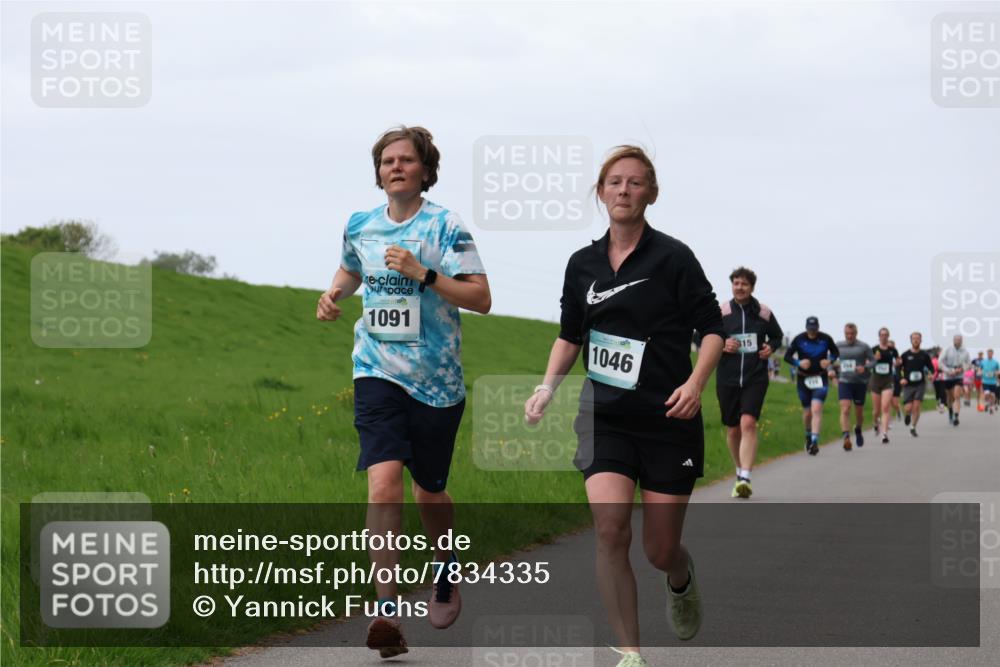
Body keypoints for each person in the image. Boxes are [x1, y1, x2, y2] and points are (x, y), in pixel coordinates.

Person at [524, 146, 724, 667]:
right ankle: (630, 652)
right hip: (604, 416)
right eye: (614, 181)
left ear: (651, 193)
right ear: (600, 191)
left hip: (668, 418)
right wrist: (547, 387)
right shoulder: (582, 264)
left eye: (635, 182)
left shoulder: (674, 258)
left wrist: (696, 384)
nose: (624, 190)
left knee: (660, 549)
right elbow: (570, 335)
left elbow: (713, 330)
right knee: (611, 528)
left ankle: (680, 577)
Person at [317, 126, 491, 659]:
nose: (396, 167)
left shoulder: (446, 226)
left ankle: (444, 564)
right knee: (383, 483)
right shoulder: (360, 225)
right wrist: (334, 293)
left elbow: (481, 298)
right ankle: (387, 610)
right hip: (375, 370)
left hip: (436, 384)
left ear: (425, 170)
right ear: (379, 172)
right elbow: (350, 269)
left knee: (429, 492)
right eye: (388, 161)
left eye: (406, 160)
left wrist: (424, 274)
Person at [715, 266, 783, 498]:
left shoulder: (763, 312)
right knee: (733, 428)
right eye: (736, 283)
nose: (739, 287)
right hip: (728, 378)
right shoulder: (722, 311)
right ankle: (739, 470)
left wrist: (770, 347)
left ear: (752, 287)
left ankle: (745, 477)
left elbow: (777, 336)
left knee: (748, 423)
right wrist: (723, 343)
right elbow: (702, 335)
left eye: (744, 284)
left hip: (755, 377)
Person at [784, 317, 839, 455]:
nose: (812, 332)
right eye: (810, 329)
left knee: (816, 408)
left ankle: (814, 441)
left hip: (820, 378)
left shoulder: (826, 338)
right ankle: (808, 435)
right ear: (806, 327)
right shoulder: (799, 339)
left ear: (818, 327)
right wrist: (799, 363)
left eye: (814, 329)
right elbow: (787, 357)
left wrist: (829, 361)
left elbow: (835, 353)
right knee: (807, 412)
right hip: (803, 379)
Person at [834, 323, 874, 450]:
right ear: (844, 333)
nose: (849, 336)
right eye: (847, 334)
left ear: (856, 333)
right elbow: (829, 359)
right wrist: (830, 370)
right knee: (845, 409)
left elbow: (874, 361)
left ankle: (858, 429)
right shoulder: (838, 345)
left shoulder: (864, 346)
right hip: (844, 382)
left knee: (859, 413)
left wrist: (865, 367)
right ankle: (846, 437)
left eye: (852, 334)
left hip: (860, 383)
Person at [898, 332, 934, 437]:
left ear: (921, 340)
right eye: (914, 338)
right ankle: (907, 414)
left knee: (917, 406)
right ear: (911, 340)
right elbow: (898, 368)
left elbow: (931, 367)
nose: (916, 340)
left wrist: (930, 374)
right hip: (908, 384)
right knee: (908, 408)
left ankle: (913, 427)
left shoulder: (924, 355)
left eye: (918, 338)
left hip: (920, 384)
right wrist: (901, 379)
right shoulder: (905, 355)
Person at [869, 327, 900, 444]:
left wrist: (898, 362)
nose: (884, 337)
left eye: (886, 335)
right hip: (876, 380)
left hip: (888, 379)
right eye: (882, 335)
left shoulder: (892, 350)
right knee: (876, 411)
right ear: (879, 337)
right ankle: (875, 423)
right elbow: (867, 363)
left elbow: (898, 360)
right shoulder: (873, 349)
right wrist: (874, 359)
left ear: (888, 336)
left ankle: (884, 434)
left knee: (886, 407)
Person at [939, 335, 971, 426]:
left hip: (959, 376)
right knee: (950, 398)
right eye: (956, 339)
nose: (958, 341)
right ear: (953, 340)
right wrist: (948, 371)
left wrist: (962, 369)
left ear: (962, 341)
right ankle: (950, 412)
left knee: (956, 395)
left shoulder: (965, 351)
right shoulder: (947, 349)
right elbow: (940, 362)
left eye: (960, 340)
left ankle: (956, 416)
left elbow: (968, 364)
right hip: (948, 375)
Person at [889, 339, 904, 421]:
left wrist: (898, 364)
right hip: (887, 379)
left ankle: (898, 411)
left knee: (894, 402)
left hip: (896, 380)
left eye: (892, 346)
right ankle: (888, 419)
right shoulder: (883, 356)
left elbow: (903, 367)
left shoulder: (898, 358)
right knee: (887, 400)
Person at [980, 349, 999, 415]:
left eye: (990, 353)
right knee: (987, 394)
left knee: (993, 395)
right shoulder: (983, 362)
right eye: (988, 353)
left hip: (993, 382)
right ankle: (988, 403)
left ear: (992, 354)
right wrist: (980, 372)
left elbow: (998, 371)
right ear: (987, 354)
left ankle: (991, 408)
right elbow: (980, 369)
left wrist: (996, 373)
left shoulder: (996, 362)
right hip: (985, 381)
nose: (989, 355)